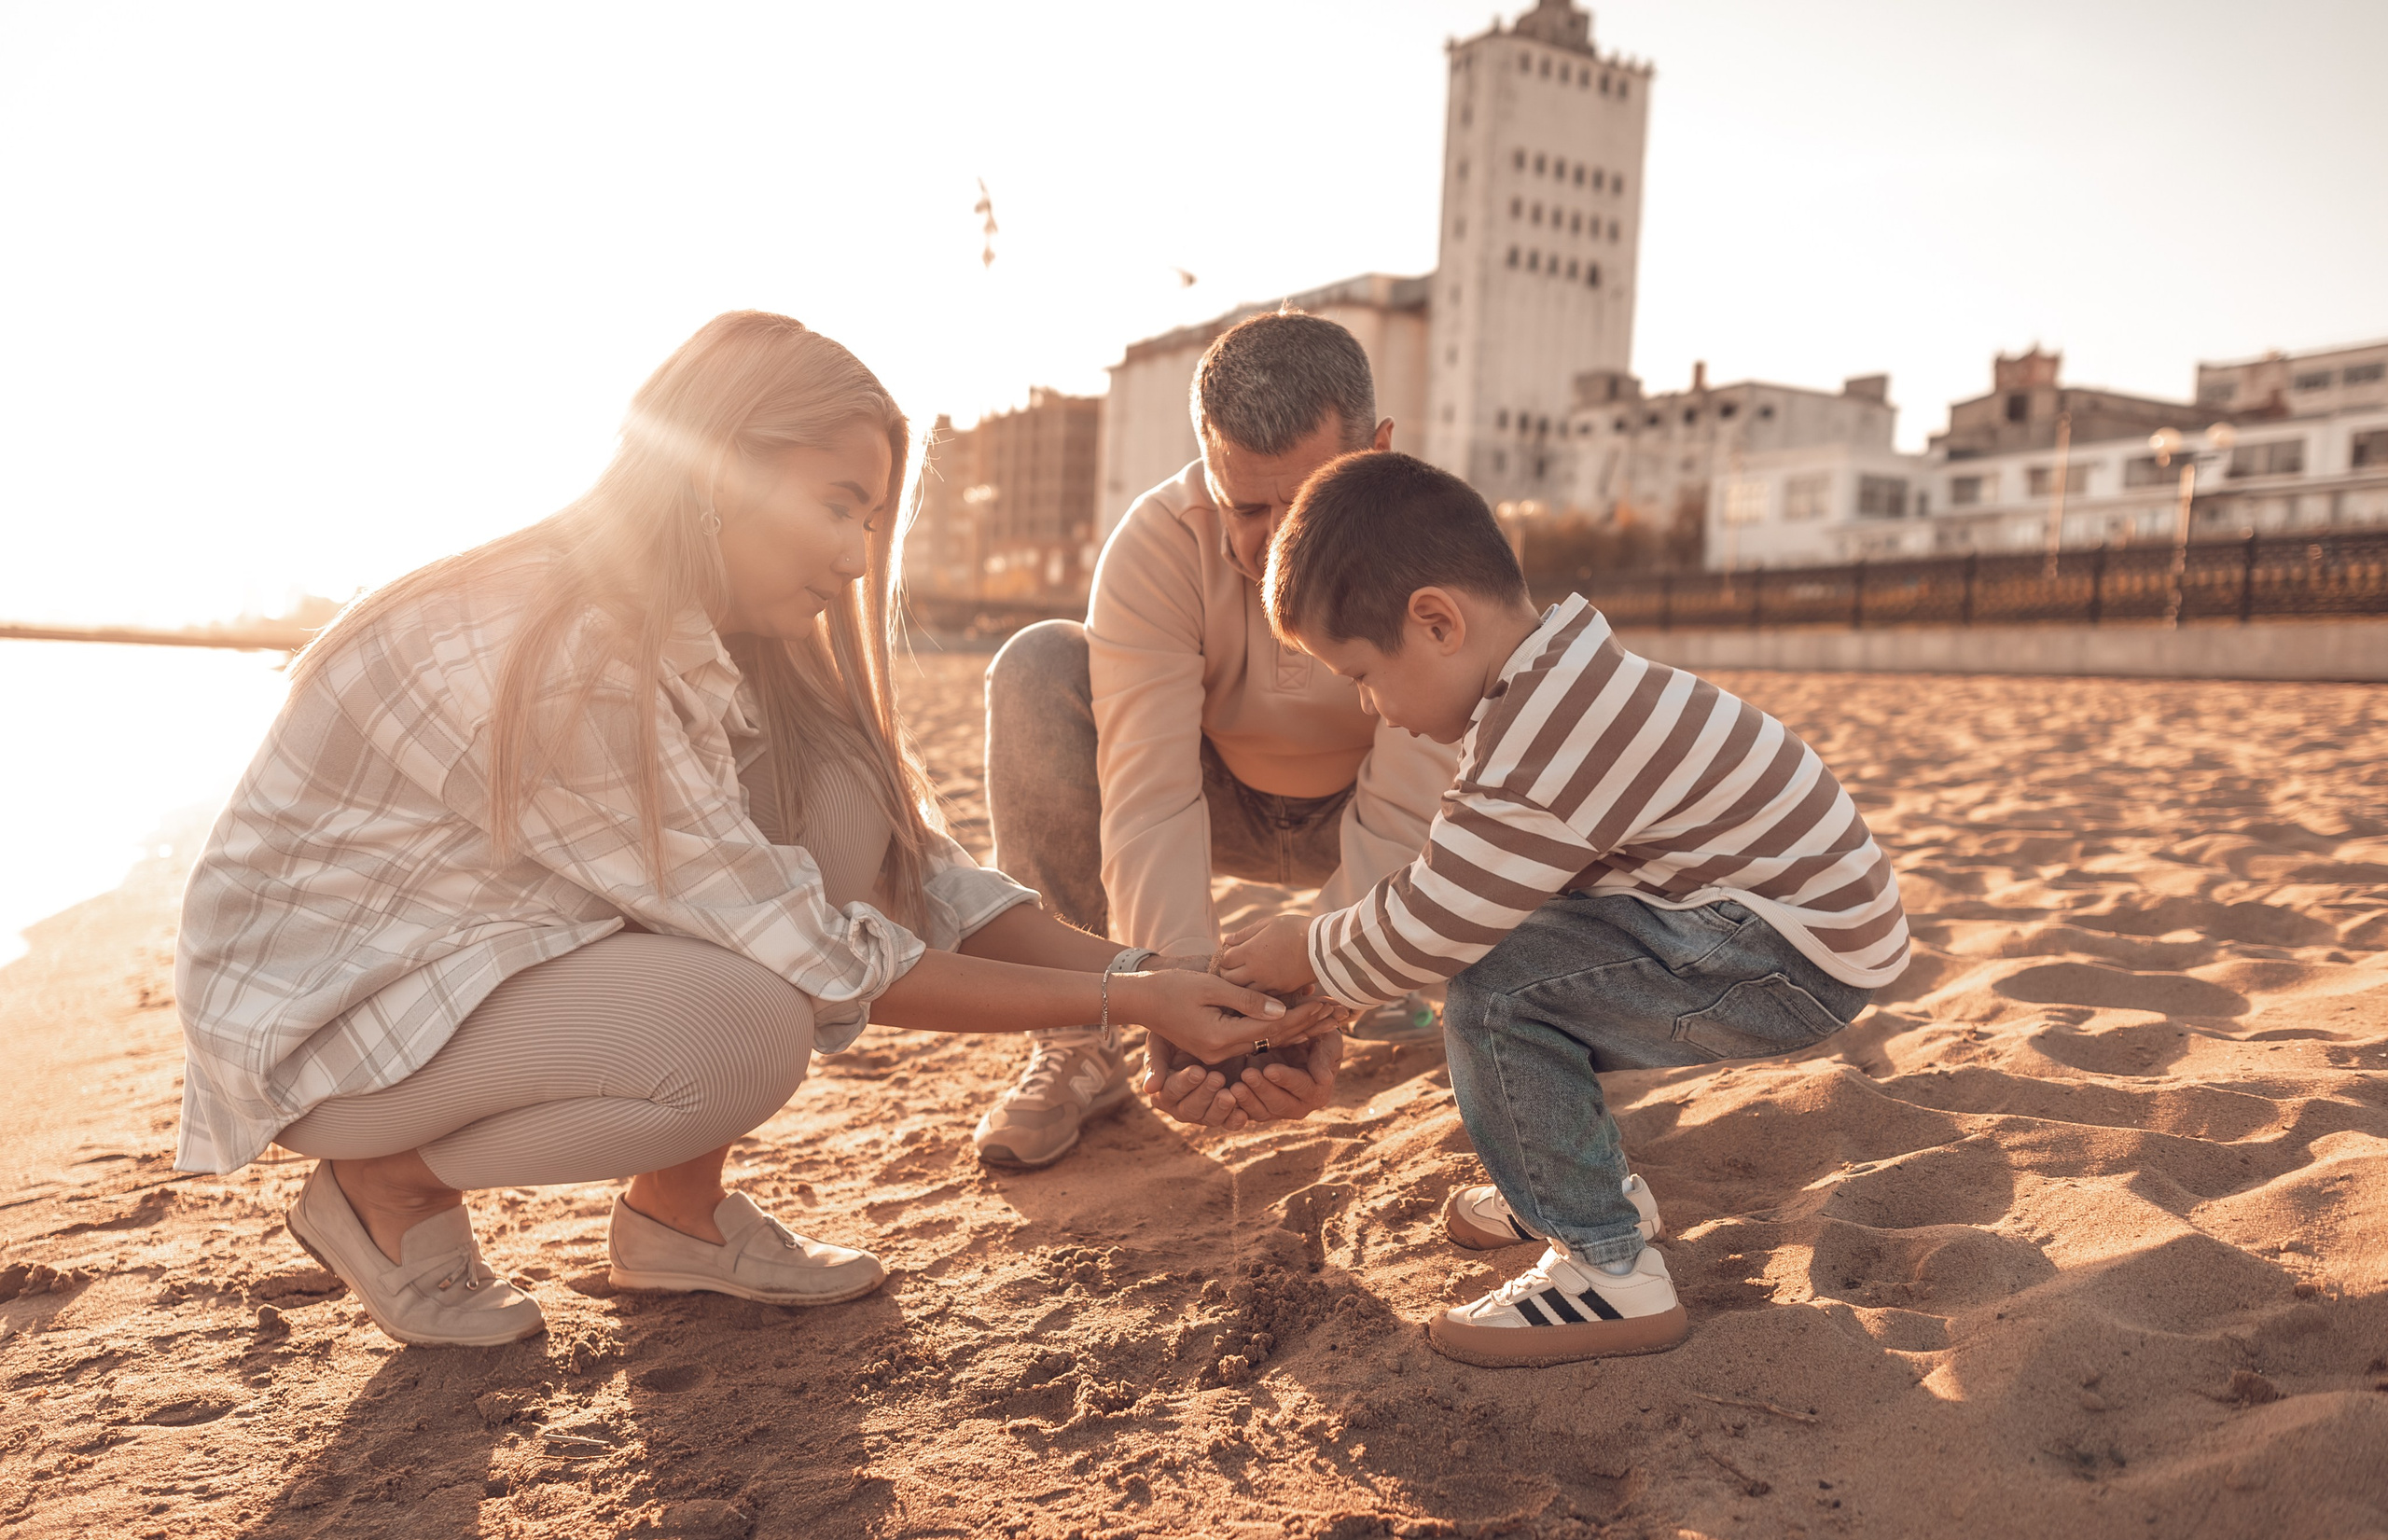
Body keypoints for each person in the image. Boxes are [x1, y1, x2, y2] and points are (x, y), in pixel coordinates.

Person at [173, 312, 1317, 1349]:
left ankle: (677, 1219)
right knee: (746, 1030)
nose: (859, 555)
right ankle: (389, 1185)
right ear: (714, 472)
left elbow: (925, 888)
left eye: (870, 518)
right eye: (836, 506)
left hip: (478, 960)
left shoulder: (721, 641)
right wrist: (1127, 1003)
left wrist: (1158, 975)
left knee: (842, 788)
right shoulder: (583, 648)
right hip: (330, 1021)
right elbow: (818, 955)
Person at [1218, 451, 1910, 1367]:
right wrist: (1341, 984)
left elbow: (1434, 920)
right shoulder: (1562, 686)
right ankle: (1559, 1176)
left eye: (1360, 674)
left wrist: (1306, 953)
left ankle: (1608, 1270)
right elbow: (1471, 889)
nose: (1372, 709)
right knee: (1513, 957)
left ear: (1434, 622)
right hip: (1785, 924)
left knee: (1500, 993)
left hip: (1790, 958)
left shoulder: (1540, 744)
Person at [972, 310, 1460, 1170]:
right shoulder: (1154, 543)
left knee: (1530, 731)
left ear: (1377, 451)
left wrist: (1328, 981)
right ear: (1206, 463)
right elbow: (1149, 792)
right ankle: (1077, 1042)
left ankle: (1428, 992)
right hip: (1221, 795)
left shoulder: (1446, 548)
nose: (1279, 541)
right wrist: (1182, 999)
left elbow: (1415, 797)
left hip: (1373, 810)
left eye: (1306, 500)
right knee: (1038, 666)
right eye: (1246, 506)